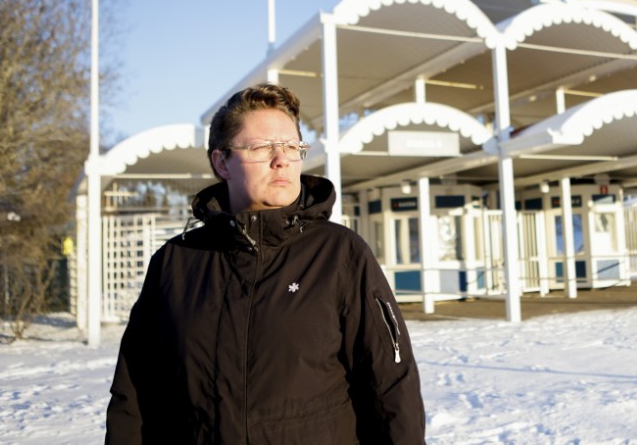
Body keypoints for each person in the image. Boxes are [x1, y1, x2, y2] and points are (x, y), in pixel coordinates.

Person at [105, 84, 425, 444]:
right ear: (221, 162)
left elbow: (390, 386)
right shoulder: (175, 263)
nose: (282, 159)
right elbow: (135, 394)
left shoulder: (339, 254)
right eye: (261, 147)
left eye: (292, 147)